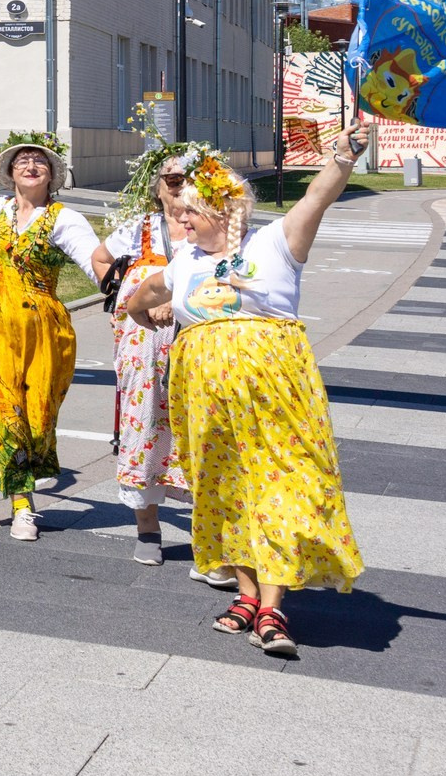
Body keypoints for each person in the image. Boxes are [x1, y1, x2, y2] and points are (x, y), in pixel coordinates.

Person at [122, 130, 368, 659]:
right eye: (181, 212)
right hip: (204, 395)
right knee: (221, 490)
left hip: (276, 391)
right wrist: (144, 313)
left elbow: (318, 194)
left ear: (224, 209)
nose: (182, 222)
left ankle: (274, 604)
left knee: (286, 487)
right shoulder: (183, 262)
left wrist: (344, 155)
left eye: (193, 212)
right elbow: (140, 298)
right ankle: (247, 595)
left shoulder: (276, 242)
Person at [0, 131, 101, 541]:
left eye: (40, 162)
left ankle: (28, 471)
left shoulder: (65, 218)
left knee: (38, 417)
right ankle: (22, 505)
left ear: (51, 176)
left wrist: (127, 291)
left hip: (43, 328)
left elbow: (94, 262)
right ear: (11, 173)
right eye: (22, 161)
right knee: (6, 412)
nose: (31, 166)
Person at [94, 143, 206, 568]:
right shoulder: (139, 229)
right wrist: (122, 299)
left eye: (190, 180)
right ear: (157, 188)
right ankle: (148, 527)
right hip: (142, 352)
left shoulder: (214, 230)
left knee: (197, 431)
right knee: (143, 427)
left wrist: (173, 300)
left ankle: (209, 534)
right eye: (174, 181)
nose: (181, 190)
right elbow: (101, 258)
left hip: (197, 348)